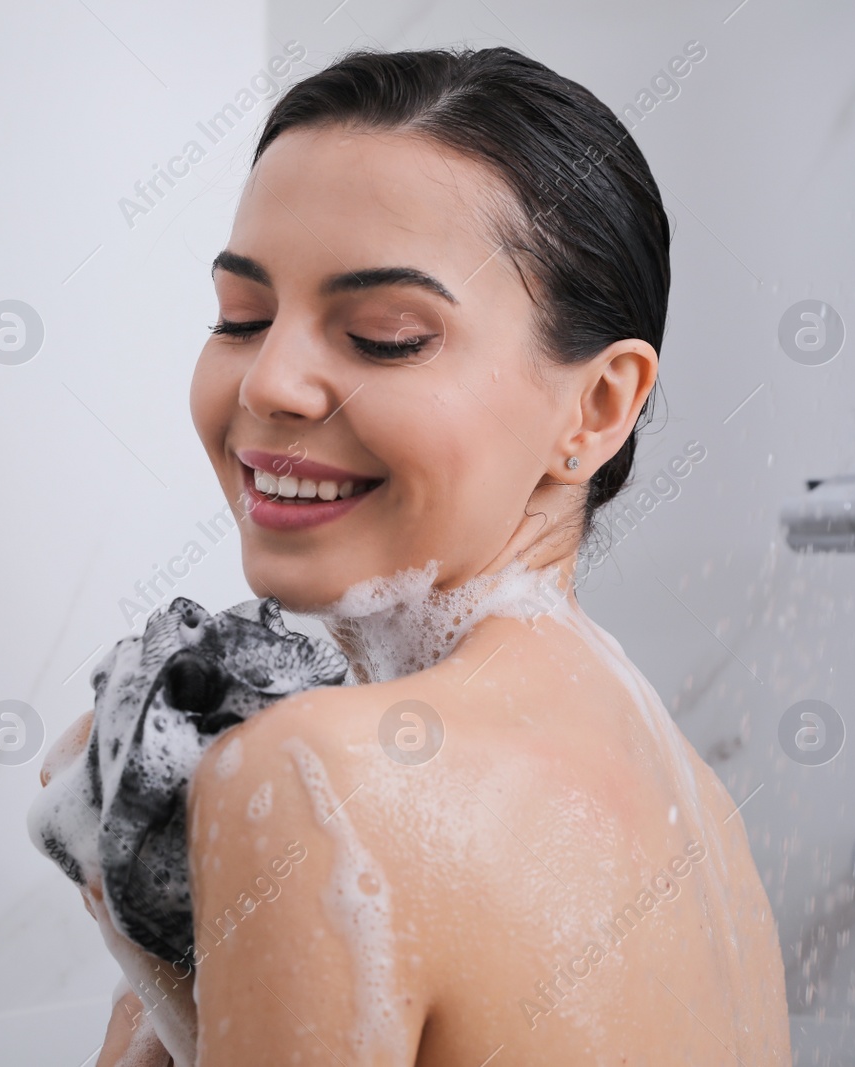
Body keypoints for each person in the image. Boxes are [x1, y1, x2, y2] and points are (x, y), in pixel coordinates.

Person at [43, 45, 791, 1065]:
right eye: (242, 317)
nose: (270, 382)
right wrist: (158, 929)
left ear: (598, 405)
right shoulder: (700, 812)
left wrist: (136, 883)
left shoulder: (318, 781)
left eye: (384, 335)